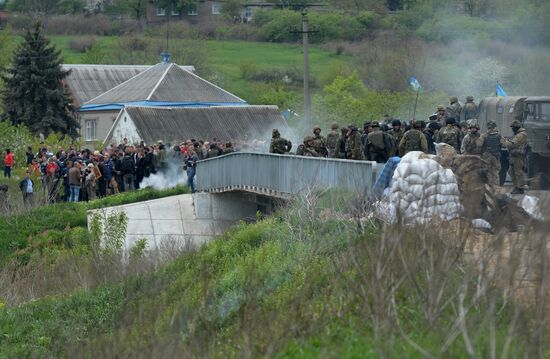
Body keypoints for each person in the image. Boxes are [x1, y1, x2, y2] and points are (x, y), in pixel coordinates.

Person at [504, 120, 528, 194]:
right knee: (512, 172)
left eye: (513, 127)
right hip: (514, 156)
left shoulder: (521, 135)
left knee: (518, 172)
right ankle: (516, 187)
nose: (512, 129)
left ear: (516, 127)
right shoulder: (517, 134)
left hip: (518, 156)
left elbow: (512, 144)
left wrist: (504, 141)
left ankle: (520, 188)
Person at [481, 121, 505, 187]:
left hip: (487, 156)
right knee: (495, 173)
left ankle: (489, 187)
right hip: (495, 156)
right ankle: (496, 188)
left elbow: (479, 145)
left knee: (487, 172)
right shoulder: (499, 136)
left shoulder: (484, 135)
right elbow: (504, 144)